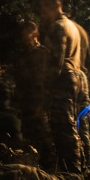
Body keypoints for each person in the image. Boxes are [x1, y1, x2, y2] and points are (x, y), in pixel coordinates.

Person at [39, 0, 90, 175]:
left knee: (64, 128)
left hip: (64, 79)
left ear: (57, 4)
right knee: (82, 127)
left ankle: (72, 173)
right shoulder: (75, 27)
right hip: (80, 78)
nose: (42, 12)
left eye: (45, 7)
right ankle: (88, 167)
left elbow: (57, 61)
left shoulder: (57, 27)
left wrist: (46, 89)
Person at [10, 21, 56, 169]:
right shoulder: (19, 55)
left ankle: (49, 171)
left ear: (36, 34)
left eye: (27, 33)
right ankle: (33, 171)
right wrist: (17, 103)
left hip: (42, 104)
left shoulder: (45, 54)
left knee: (46, 139)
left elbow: (50, 80)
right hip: (26, 104)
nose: (24, 37)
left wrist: (47, 104)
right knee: (29, 139)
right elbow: (17, 81)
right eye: (22, 34)